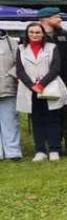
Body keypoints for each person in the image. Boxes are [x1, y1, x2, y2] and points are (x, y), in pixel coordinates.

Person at [36, 7, 67, 155]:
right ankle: (53, 143)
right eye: (56, 17)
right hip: (46, 84)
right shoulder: (35, 37)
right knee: (50, 114)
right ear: (46, 19)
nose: (60, 19)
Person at [15, 22, 65, 161]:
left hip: (49, 87)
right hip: (30, 89)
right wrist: (32, 85)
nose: (34, 35)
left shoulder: (52, 47)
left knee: (53, 119)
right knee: (37, 120)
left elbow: (55, 68)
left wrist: (42, 84)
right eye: (31, 32)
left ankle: (54, 149)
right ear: (27, 34)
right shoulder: (21, 49)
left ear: (43, 34)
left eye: (37, 32)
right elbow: (19, 70)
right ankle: (40, 150)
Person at [0, 31, 20, 161]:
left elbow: (19, 63)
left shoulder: (12, 42)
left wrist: (10, 76)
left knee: (10, 121)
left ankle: (13, 152)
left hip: (8, 87)